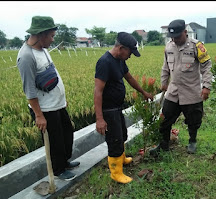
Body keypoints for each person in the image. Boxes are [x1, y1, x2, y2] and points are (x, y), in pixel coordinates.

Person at [17, 16, 80, 181]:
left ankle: (64, 161)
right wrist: (38, 115)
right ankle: (58, 170)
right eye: (51, 36)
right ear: (41, 35)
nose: (53, 40)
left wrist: (61, 100)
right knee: (54, 140)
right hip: (44, 109)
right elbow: (29, 89)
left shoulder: (43, 50)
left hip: (57, 104)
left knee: (67, 133)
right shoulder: (26, 56)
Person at [94, 32, 153, 184]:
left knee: (122, 135)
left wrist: (143, 92)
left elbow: (129, 78)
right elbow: (98, 91)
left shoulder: (120, 60)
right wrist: (99, 119)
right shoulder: (104, 62)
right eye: (130, 52)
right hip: (108, 110)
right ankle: (116, 173)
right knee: (114, 140)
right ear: (121, 48)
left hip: (117, 107)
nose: (130, 56)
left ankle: (121, 159)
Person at [149, 19, 212, 156]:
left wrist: (206, 86)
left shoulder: (197, 46)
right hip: (173, 92)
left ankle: (192, 142)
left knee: (193, 120)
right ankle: (164, 144)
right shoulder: (168, 47)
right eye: (173, 37)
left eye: (178, 36)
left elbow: (206, 66)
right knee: (164, 120)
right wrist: (164, 82)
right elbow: (165, 67)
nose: (175, 39)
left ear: (185, 32)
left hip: (191, 92)